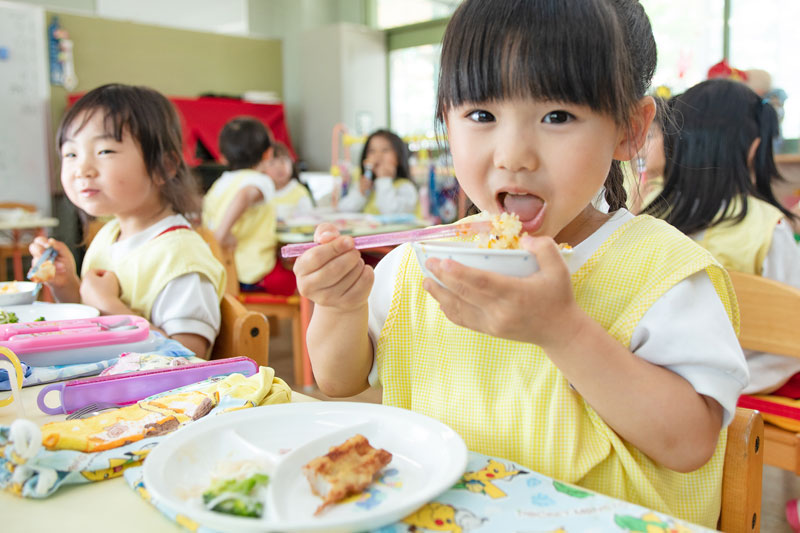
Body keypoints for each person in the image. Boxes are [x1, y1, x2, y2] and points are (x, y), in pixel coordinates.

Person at [293, 0, 749, 527]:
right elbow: (339, 381)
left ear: (629, 128)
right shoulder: (423, 262)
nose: (513, 154)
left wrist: (564, 331)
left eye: (557, 116)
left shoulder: (662, 271)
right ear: (446, 121)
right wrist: (340, 307)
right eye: (481, 115)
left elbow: (690, 441)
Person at [30, 84, 226, 357]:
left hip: (157, 398)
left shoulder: (181, 257)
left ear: (163, 167)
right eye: (71, 154)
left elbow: (188, 358)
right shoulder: (108, 235)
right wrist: (66, 284)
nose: (82, 170)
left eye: (105, 151)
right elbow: (92, 316)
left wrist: (110, 305)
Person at [643, 78, 800, 394]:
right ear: (755, 149)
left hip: (649, 383)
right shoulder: (769, 227)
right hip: (747, 391)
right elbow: (790, 335)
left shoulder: (643, 214)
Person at [203, 116, 295, 295]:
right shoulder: (260, 181)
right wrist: (222, 233)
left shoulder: (220, 183)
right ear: (268, 154)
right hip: (253, 273)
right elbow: (245, 194)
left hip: (223, 270)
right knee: (305, 280)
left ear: (222, 158)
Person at [337, 129, 419, 215]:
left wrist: (384, 179)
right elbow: (343, 208)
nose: (378, 156)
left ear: (399, 157)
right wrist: (361, 193)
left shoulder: (405, 187)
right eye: (372, 151)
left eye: (385, 150)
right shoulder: (366, 186)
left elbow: (390, 212)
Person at [264, 140, 314, 222]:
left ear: (291, 163)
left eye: (283, 161)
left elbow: (308, 220)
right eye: (272, 163)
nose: (279, 167)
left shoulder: (299, 192)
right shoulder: (262, 192)